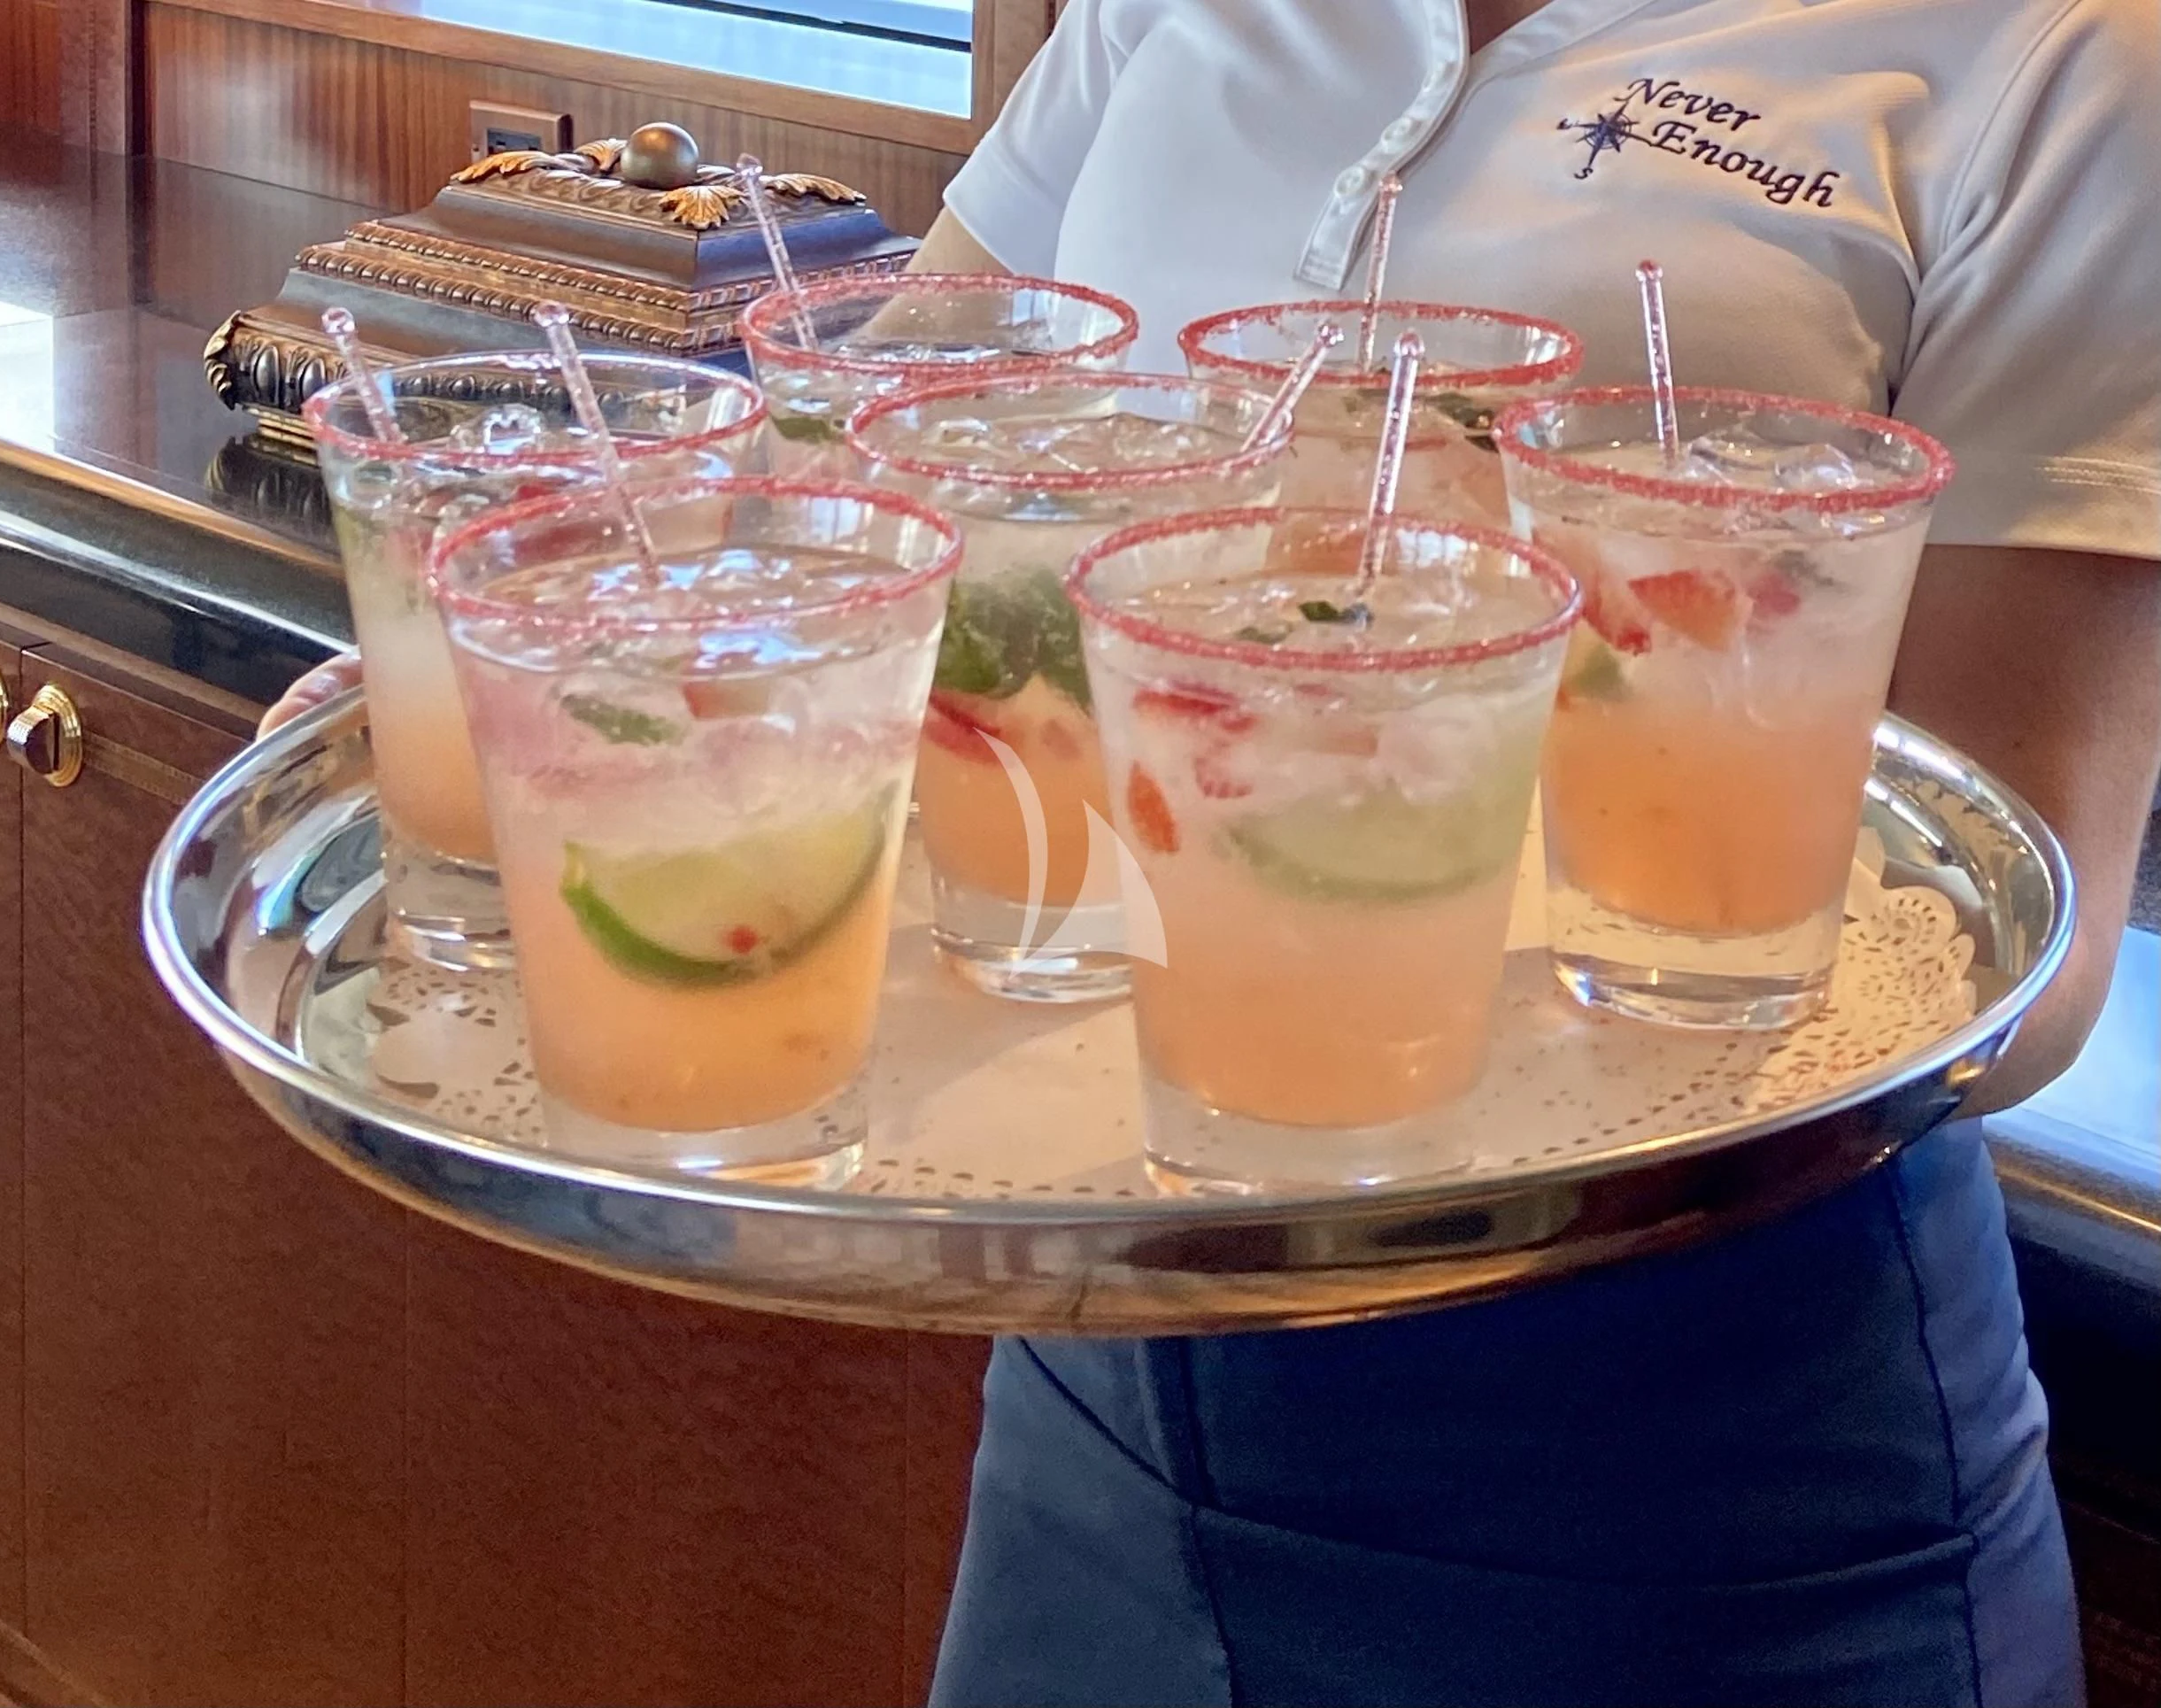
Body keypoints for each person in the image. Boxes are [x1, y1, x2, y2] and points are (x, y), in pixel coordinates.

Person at [265, 0, 2161, 1699]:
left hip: (1689, 1449)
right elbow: (859, 502)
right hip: (1105, 1369)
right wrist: (554, 643)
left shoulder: (2064, 59)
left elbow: (2027, 942)